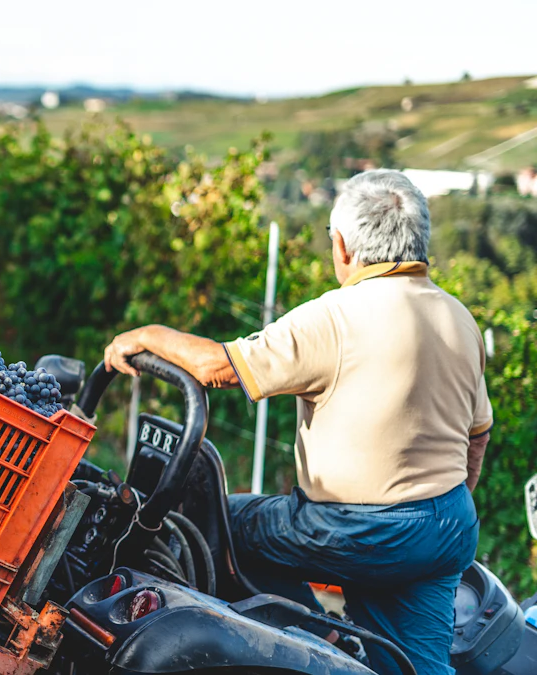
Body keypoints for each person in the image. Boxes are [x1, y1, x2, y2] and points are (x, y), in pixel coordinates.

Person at [103, 169, 490, 675]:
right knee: (418, 666)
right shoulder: (458, 317)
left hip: (358, 532)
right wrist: (435, 509)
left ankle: (315, 642)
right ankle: (346, 644)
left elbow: (219, 367)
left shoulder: (336, 316)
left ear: (344, 248)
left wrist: (146, 334)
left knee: (227, 524)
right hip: (446, 527)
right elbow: (477, 436)